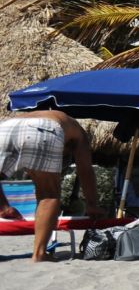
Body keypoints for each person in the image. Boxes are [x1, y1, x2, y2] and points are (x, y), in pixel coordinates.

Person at [1, 110, 105, 261]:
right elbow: (85, 170)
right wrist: (92, 204)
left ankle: (3, 208)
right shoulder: (79, 133)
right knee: (48, 195)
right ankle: (39, 254)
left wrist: (4, 206)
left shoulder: (52, 117)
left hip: (5, 126)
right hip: (44, 129)